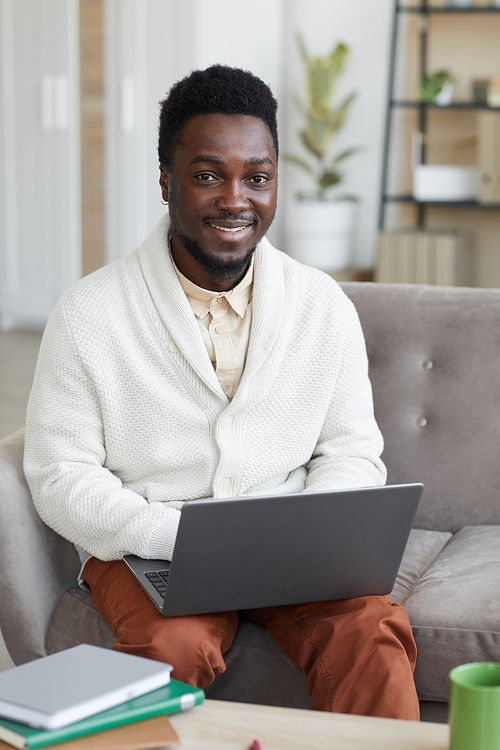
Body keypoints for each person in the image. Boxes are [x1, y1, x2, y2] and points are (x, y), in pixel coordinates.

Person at [24, 65, 419, 720]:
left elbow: (352, 451)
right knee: (169, 647)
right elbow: (61, 475)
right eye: (209, 175)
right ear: (166, 181)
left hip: (296, 548)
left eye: (257, 177)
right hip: (149, 545)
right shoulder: (88, 313)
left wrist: (302, 531)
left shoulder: (322, 304)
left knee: (369, 638)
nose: (236, 198)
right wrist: (177, 535)